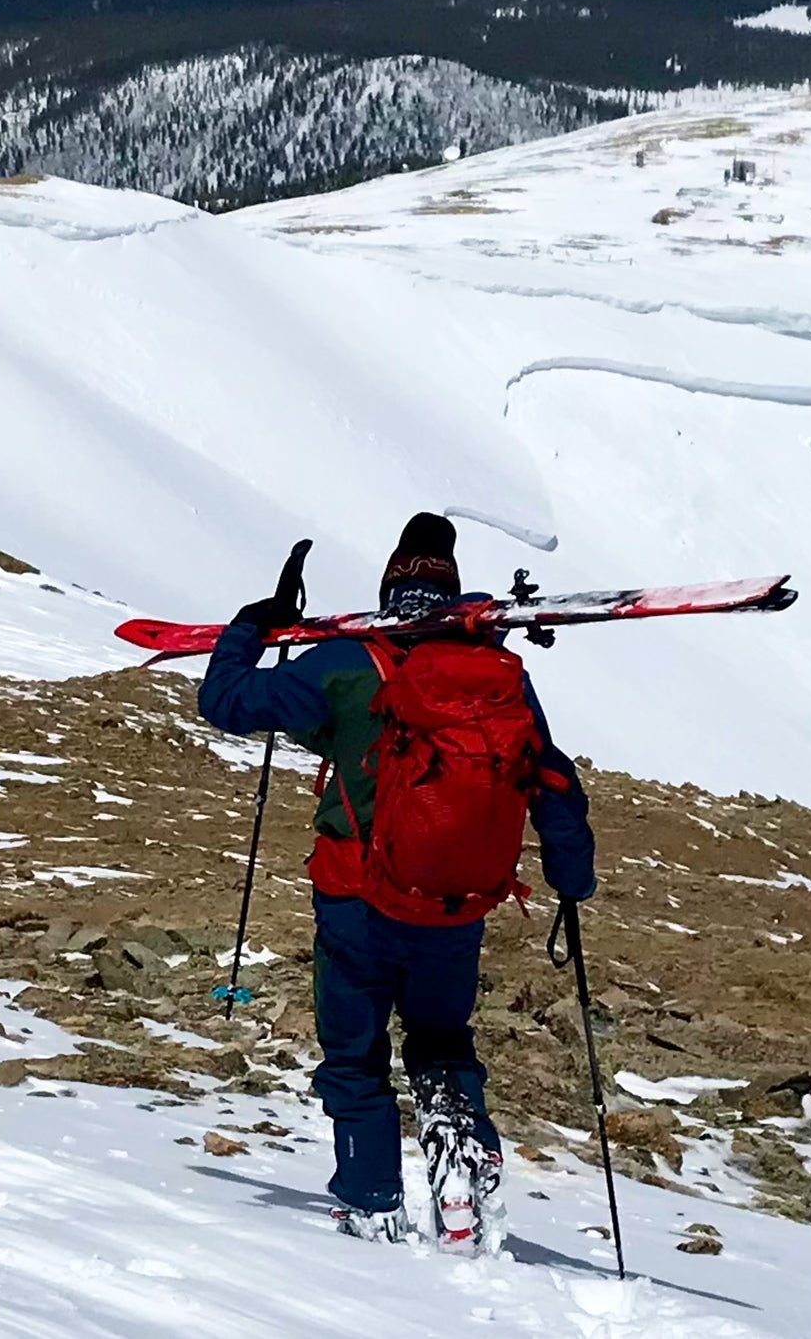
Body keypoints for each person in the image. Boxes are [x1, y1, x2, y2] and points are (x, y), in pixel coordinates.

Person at [197, 512, 596, 1247]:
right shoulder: (496, 674)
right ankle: (453, 1132)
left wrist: (257, 623)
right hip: (454, 905)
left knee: (355, 1058)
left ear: (389, 586)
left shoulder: (343, 663)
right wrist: (572, 881)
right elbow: (548, 776)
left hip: (356, 904)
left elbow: (221, 702)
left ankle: (372, 1204)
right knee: (442, 1040)